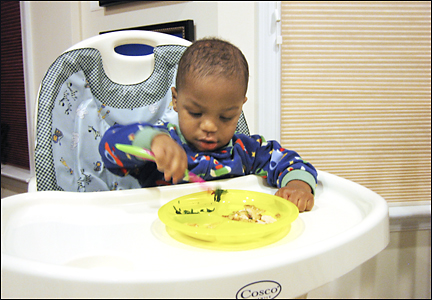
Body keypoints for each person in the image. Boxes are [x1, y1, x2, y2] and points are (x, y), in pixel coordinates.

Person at [99, 38, 317, 212]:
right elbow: (110, 146)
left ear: (240, 107)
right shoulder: (164, 147)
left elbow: (289, 161)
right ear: (175, 100)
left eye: (225, 117)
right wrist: (151, 141)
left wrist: (297, 186)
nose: (210, 126)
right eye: (195, 113)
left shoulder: (246, 152)